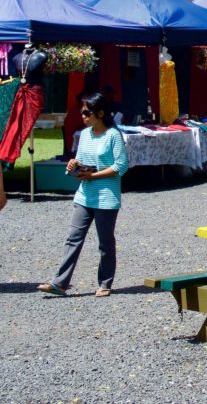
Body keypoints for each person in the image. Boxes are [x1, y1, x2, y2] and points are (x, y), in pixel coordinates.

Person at [37, 92, 128, 297]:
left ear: (101, 113)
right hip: (84, 196)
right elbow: (79, 159)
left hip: (106, 198)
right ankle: (60, 283)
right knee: (73, 238)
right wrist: (73, 165)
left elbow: (121, 166)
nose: (83, 116)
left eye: (87, 113)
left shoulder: (113, 135)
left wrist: (94, 175)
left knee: (105, 243)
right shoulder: (84, 134)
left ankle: (105, 283)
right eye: (82, 112)